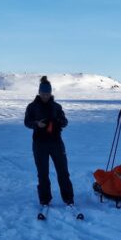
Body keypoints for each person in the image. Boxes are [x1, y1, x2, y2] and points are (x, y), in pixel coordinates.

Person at [24, 76, 76, 216]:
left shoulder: (56, 107)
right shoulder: (32, 107)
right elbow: (27, 122)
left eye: (47, 93)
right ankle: (45, 200)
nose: (45, 96)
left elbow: (65, 121)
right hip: (40, 144)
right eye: (43, 93)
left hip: (56, 143)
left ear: (51, 93)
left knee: (63, 172)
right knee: (43, 173)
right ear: (39, 92)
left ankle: (68, 198)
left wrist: (60, 121)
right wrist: (36, 124)